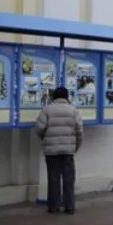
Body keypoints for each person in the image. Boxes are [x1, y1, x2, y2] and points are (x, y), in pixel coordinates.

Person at [35, 86, 83, 214]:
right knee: (69, 178)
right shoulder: (73, 111)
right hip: (68, 151)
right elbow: (80, 131)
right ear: (67, 97)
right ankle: (69, 206)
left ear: (53, 97)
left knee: (53, 178)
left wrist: (46, 139)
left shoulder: (47, 110)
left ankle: (53, 206)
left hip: (51, 151)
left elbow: (39, 128)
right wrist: (75, 147)